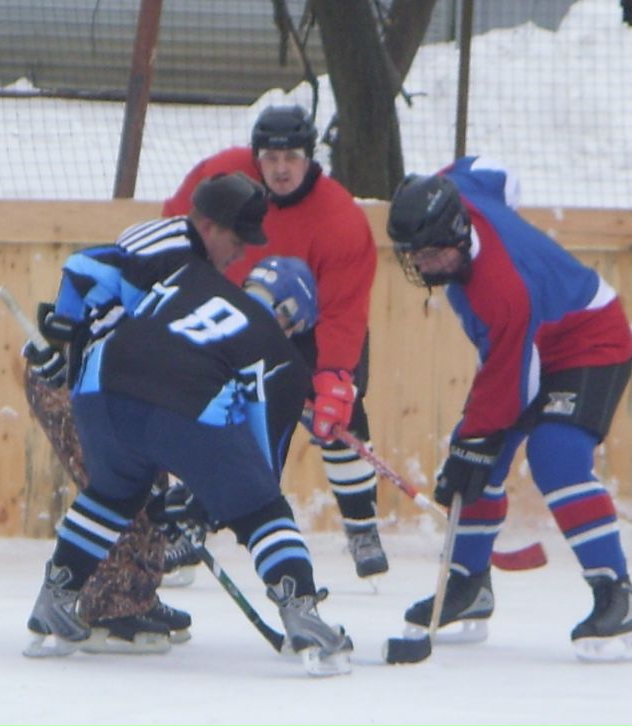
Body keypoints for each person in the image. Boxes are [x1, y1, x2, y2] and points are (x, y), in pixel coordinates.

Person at [23, 251, 353, 676]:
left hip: (99, 386)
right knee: (265, 510)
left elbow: (90, 265)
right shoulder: (281, 356)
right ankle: (302, 614)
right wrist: (203, 506)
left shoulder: (194, 278)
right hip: (183, 404)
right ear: (293, 318)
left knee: (111, 494)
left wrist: (66, 326)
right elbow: (258, 472)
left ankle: (54, 603)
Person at [385, 156, 632, 662]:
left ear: (459, 236)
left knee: (555, 458)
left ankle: (619, 597)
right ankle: (467, 589)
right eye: (411, 254)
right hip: (534, 343)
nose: (420, 265)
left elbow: (516, 385)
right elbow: (496, 171)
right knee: (479, 462)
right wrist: (475, 450)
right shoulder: (456, 189)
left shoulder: (500, 292)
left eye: (431, 254)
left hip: (590, 341)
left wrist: (473, 447)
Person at [21, 172, 270, 653]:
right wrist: (60, 337)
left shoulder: (195, 265)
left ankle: (107, 597)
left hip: (115, 382)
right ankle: (114, 606)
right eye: (237, 242)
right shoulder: (168, 245)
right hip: (78, 380)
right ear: (211, 225)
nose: (241, 255)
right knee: (123, 487)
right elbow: (82, 264)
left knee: (134, 484)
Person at [162, 105, 387, 579]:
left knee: (344, 421)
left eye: (293, 157)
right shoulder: (221, 175)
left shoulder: (340, 218)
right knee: (218, 417)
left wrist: (334, 379)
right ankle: (189, 525)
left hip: (312, 328)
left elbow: (344, 310)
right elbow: (175, 228)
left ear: (310, 157)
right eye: (270, 157)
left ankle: (361, 525)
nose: (281, 168)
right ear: (255, 155)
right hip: (237, 319)